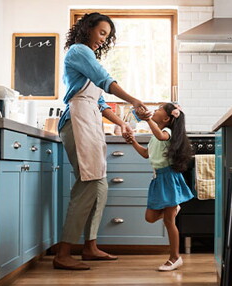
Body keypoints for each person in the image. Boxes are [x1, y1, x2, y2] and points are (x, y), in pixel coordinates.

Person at [54, 12, 150, 271]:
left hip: (90, 118)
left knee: (99, 185)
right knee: (89, 183)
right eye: (101, 33)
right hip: (76, 119)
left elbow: (100, 102)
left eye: (106, 36)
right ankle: (63, 253)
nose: (102, 40)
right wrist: (134, 100)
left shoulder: (88, 56)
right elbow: (105, 80)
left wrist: (122, 123)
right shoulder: (78, 51)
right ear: (87, 29)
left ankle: (90, 246)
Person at [124, 103, 194, 271]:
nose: (155, 110)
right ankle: (175, 208)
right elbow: (146, 154)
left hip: (168, 178)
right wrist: (132, 141)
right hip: (158, 179)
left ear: (166, 119)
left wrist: (148, 120)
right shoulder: (155, 135)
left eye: (159, 109)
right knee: (150, 217)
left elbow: (162, 136)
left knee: (169, 222)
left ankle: (175, 258)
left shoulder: (166, 132)